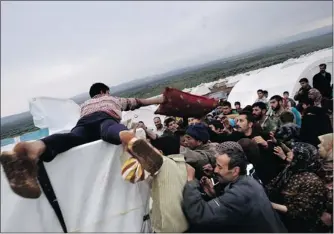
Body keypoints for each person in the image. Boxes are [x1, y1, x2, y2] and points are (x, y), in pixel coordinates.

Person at [0, 82, 165, 199]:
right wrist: (159, 100)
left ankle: (34, 147)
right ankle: (129, 138)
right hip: (105, 117)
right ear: (103, 91)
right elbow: (138, 102)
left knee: (71, 138)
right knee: (110, 130)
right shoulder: (112, 99)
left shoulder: (84, 105)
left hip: (84, 123)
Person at [182, 142, 287, 233]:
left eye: (219, 167)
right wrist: (214, 196)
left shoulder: (240, 193)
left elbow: (199, 214)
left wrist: (191, 181)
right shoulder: (247, 181)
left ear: (235, 170)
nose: (215, 170)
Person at [266, 142, 329, 233]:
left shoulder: (311, 181)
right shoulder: (291, 169)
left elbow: (299, 211)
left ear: (301, 157)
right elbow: (272, 186)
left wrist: (270, 205)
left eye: (292, 152)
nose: (288, 153)